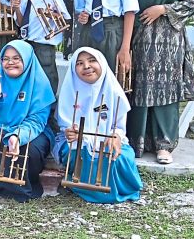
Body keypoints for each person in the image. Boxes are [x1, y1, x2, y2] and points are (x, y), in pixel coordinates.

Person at [125, 0, 194, 164]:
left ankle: (164, 145)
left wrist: (163, 9)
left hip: (168, 40)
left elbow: (192, 2)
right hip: (138, 39)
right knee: (138, 87)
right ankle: (136, 141)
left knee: (165, 88)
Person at [54, 48, 143, 203]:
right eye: (79, 63)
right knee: (78, 153)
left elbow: (119, 126)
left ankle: (114, 190)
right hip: (77, 141)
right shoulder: (70, 90)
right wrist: (71, 132)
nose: (86, 66)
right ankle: (79, 183)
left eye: (92, 60)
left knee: (118, 157)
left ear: (102, 63)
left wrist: (115, 136)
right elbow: (65, 125)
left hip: (107, 138)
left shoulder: (113, 91)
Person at [0, 40, 55, 202]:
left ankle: (24, 185)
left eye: (16, 58)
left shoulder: (40, 83)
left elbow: (37, 121)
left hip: (29, 130)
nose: (10, 63)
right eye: (5, 59)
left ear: (27, 60)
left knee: (33, 147)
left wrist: (17, 136)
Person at [19, 0, 70, 93]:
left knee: (46, 79)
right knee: (28, 80)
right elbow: (21, 20)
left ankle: (50, 106)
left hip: (43, 45)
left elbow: (65, 18)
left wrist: (51, 14)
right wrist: (16, 8)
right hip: (26, 42)